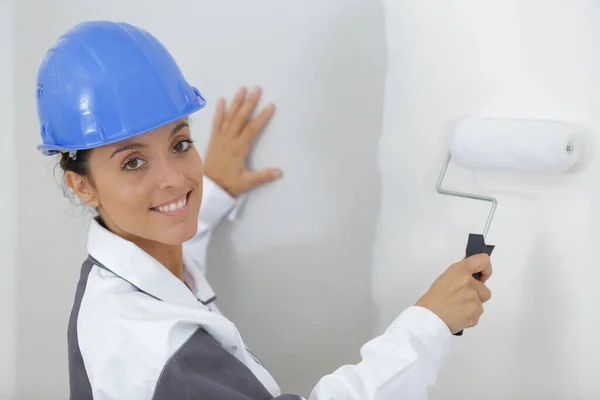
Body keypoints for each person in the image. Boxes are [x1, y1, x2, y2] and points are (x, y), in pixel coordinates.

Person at [36, 21, 493, 400]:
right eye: (133, 162)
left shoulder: (133, 266)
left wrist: (208, 191)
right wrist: (428, 326)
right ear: (83, 186)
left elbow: (178, 256)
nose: (174, 178)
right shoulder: (153, 353)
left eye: (180, 144)